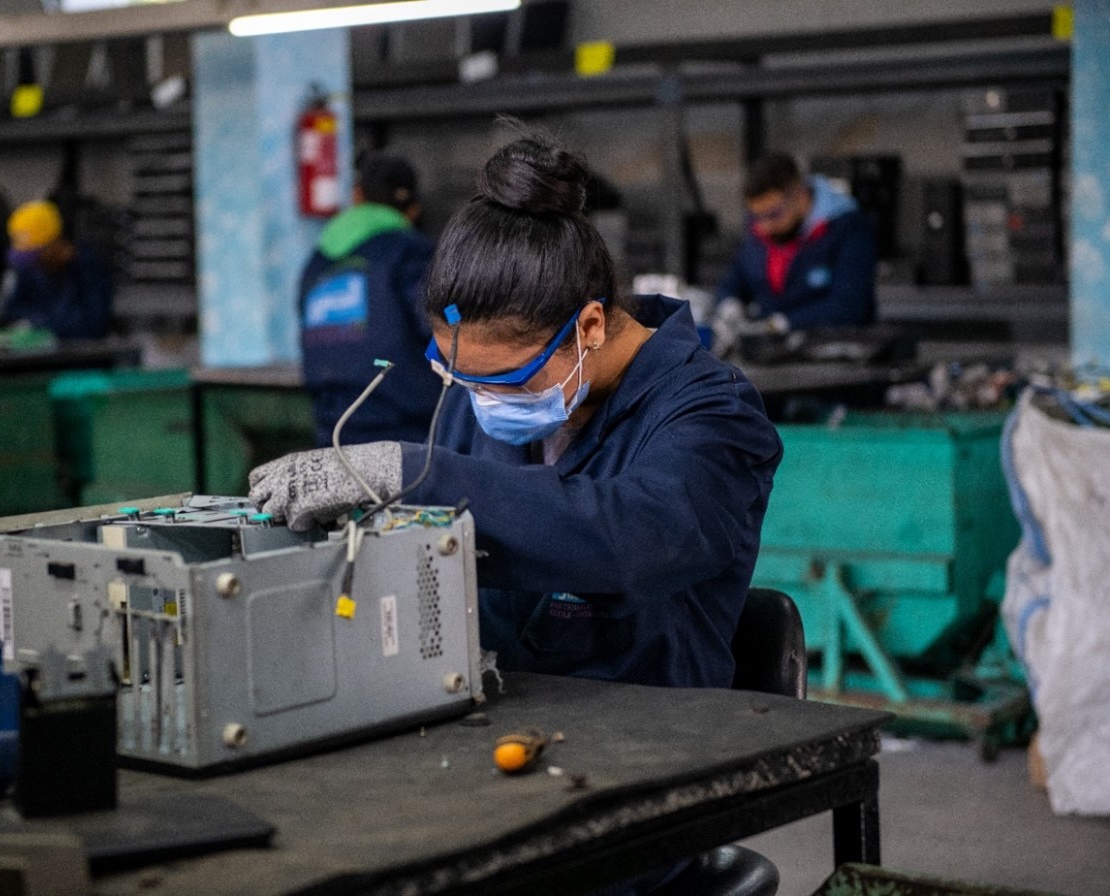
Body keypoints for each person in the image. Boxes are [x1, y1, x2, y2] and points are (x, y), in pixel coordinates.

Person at [251, 133, 783, 693]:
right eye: (462, 376)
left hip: (654, 728)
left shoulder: (714, 411)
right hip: (495, 710)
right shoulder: (476, 392)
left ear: (590, 327)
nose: (484, 400)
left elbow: (638, 535)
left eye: (507, 379)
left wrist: (412, 475)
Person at [298, 152, 441, 446]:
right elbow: (440, 328)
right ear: (412, 210)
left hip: (331, 427)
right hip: (405, 430)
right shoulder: (411, 251)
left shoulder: (316, 261)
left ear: (357, 196)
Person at [712, 152, 877, 352]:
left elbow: (848, 306)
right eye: (757, 216)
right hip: (772, 356)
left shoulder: (847, 228)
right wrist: (729, 305)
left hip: (836, 359)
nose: (764, 227)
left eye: (773, 214)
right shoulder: (761, 230)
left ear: (799, 194)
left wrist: (781, 324)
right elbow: (735, 279)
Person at [0, 200, 112, 340]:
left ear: (55, 242)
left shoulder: (88, 267)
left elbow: (94, 325)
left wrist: (43, 326)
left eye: (36, 254)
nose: (34, 262)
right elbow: (13, 312)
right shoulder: (27, 270)